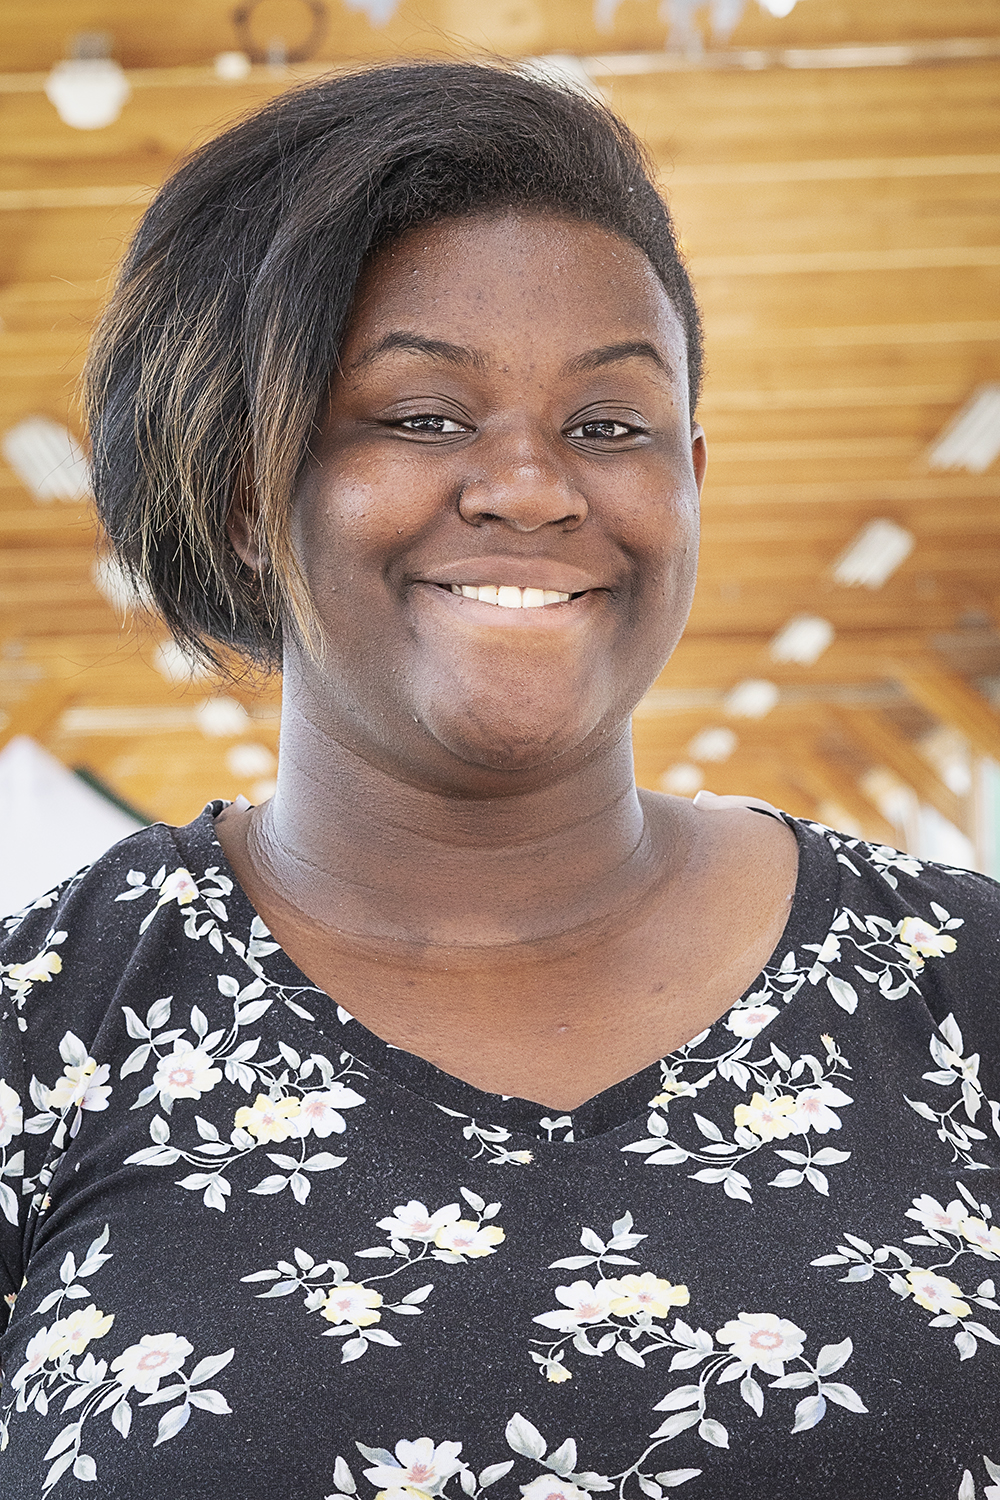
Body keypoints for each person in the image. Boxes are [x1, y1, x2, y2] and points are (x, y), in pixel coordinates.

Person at [1, 61, 998, 1500]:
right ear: (238, 490)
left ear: (692, 480)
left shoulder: (959, 991)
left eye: (609, 425)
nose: (532, 487)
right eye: (421, 416)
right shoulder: (53, 1027)